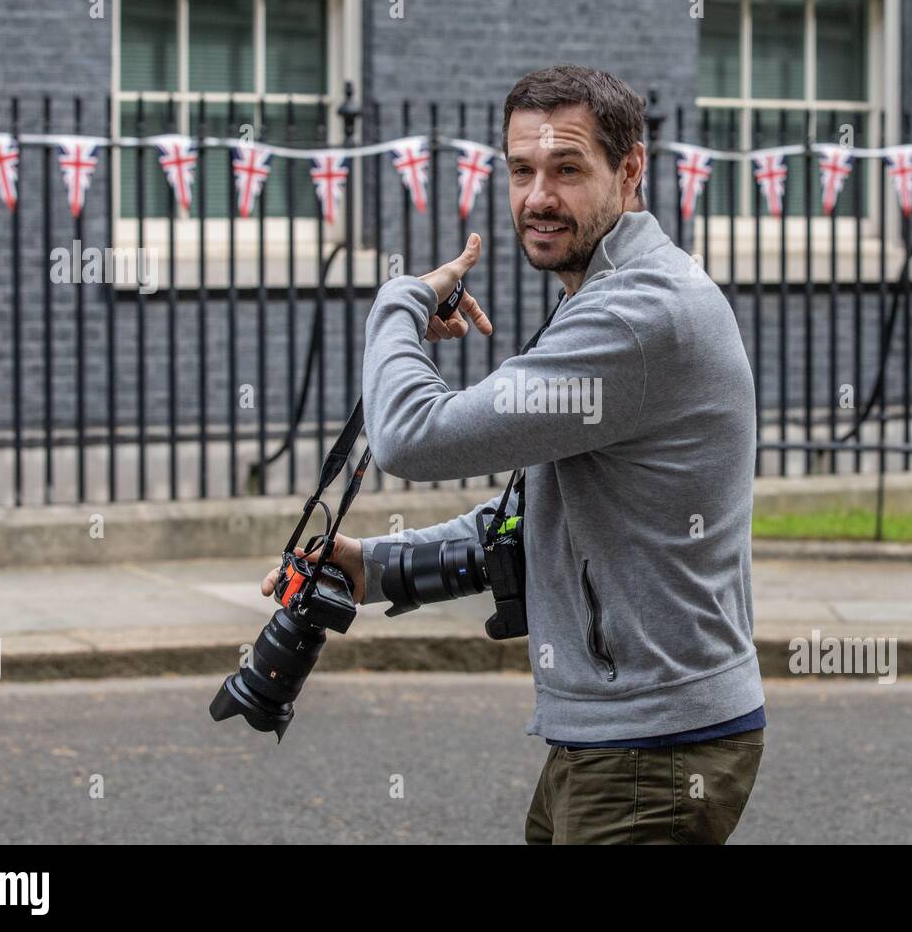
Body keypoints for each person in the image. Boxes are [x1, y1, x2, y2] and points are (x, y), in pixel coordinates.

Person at [262, 64, 764, 844]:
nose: (537, 198)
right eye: (521, 170)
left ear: (629, 171)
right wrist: (379, 568)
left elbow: (410, 435)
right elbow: (530, 520)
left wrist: (400, 302)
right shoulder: (602, 299)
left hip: (652, 750)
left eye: (567, 169)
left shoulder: (633, 318)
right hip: (616, 734)